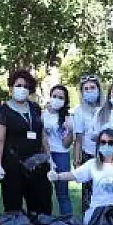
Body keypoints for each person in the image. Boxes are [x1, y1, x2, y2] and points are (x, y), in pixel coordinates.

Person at [0, 70, 53, 215]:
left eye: (26, 86)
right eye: (18, 85)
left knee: (41, 207)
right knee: (13, 208)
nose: (22, 89)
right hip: (13, 166)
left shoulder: (35, 109)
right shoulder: (3, 112)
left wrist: (49, 157)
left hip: (37, 164)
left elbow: (42, 135)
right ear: (12, 88)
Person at [72, 75, 104, 212]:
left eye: (92, 88)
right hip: (88, 155)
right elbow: (78, 138)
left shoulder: (106, 108)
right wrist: (77, 160)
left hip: (107, 156)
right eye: (86, 89)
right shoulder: (79, 111)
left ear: (99, 89)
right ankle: (88, 224)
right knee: (88, 194)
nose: (90, 91)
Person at [43, 84, 75, 215]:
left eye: (60, 97)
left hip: (62, 155)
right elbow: (41, 136)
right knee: (43, 192)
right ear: (50, 97)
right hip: (44, 154)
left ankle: (68, 223)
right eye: (54, 96)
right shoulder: (41, 114)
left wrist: (70, 130)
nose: (57, 99)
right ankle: (44, 221)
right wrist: (47, 155)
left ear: (65, 100)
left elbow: (66, 144)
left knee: (62, 193)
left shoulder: (67, 117)